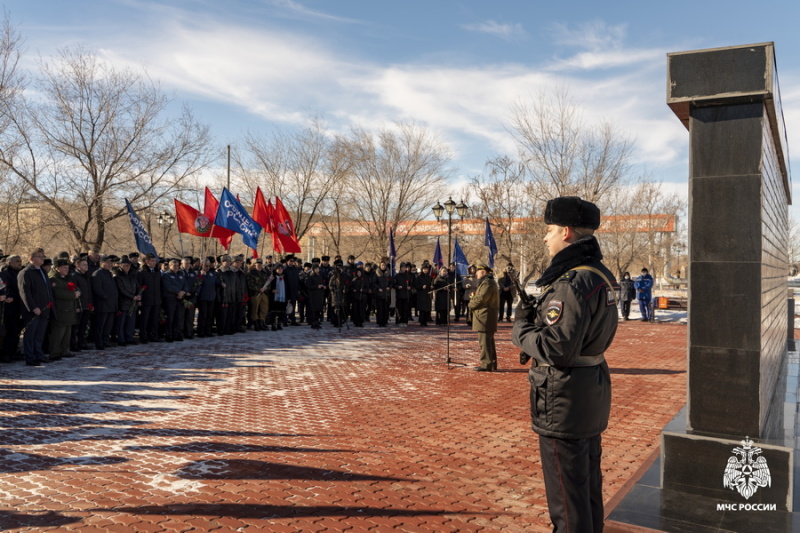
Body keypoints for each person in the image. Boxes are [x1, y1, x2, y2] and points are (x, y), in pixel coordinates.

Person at [511, 196, 618, 533]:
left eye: (551, 230)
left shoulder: (572, 283)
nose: (546, 237)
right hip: (588, 392)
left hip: (564, 398)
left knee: (566, 500)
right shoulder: (599, 274)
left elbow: (556, 349)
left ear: (567, 232)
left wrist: (521, 328)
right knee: (585, 490)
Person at [18, 248, 54, 365]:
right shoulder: (26, 272)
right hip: (33, 310)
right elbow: (25, 293)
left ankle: (39, 354)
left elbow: (47, 289)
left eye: (43, 256)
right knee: (30, 334)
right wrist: (33, 307)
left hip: (44, 308)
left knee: (39, 335)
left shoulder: (42, 271)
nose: (42, 258)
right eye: (39, 256)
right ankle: (30, 357)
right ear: (31, 259)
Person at [468, 262, 499, 371]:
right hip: (485, 315)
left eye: (477, 271)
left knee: (485, 342)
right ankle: (491, 363)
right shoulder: (487, 282)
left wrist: (471, 303)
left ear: (484, 272)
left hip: (485, 316)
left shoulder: (487, 283)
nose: (476, 273)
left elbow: (481, 299)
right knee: (488, 341)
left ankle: (486, 364)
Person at [48, 258, 80, 359]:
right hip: (60, 310)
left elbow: (76, 288)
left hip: (69, 309)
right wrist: (73, 295)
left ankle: (64, 350)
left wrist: (77, 292)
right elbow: (58, 293)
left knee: (67, 333)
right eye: (64, 268)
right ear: (57, 268)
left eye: (67, 267)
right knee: (58, 334)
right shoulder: (54, 280)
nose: (67, 269)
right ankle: (55, 352)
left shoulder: (67, 278)